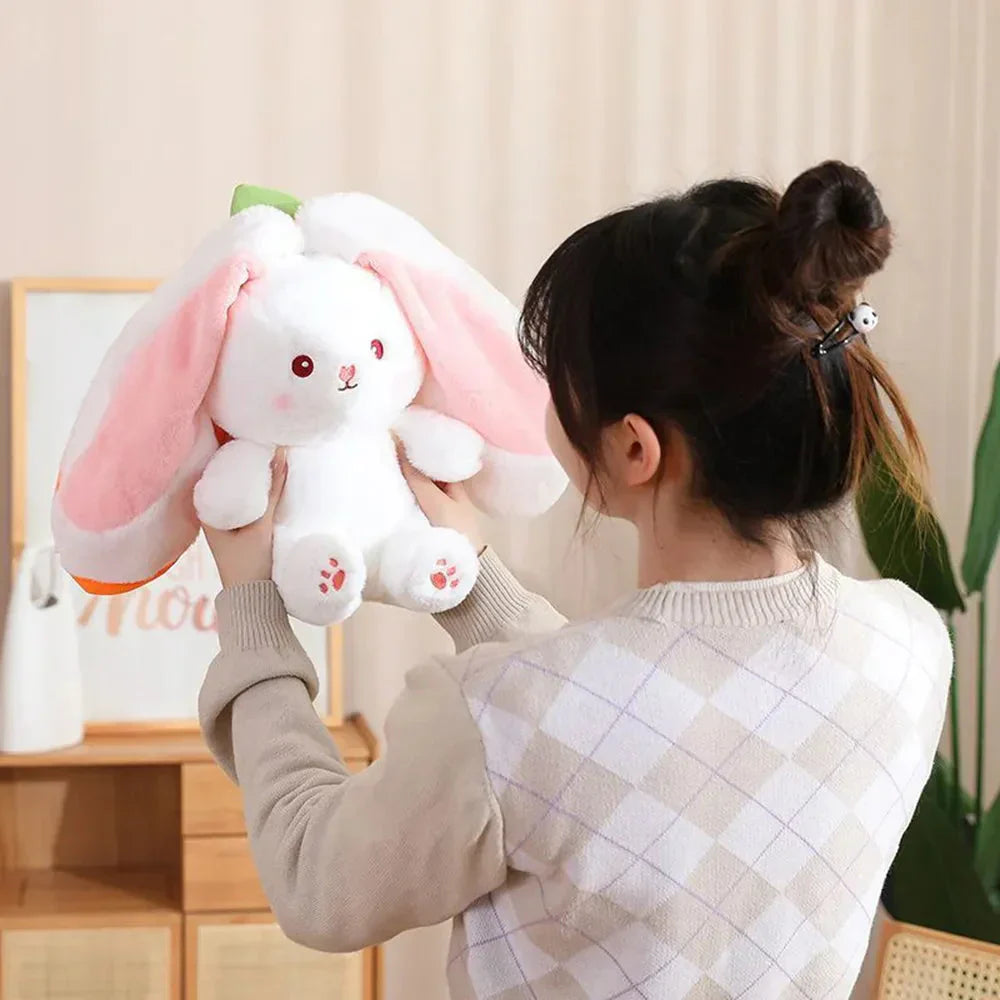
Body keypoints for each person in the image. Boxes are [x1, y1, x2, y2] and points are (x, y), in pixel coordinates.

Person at [199, 161, 952, 1000]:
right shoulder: (911, 647)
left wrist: (253, 613)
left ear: (634, 448)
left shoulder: (494, 715)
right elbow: (643, 731)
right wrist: (475, 587)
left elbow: (316, 874)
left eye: (556, 379)